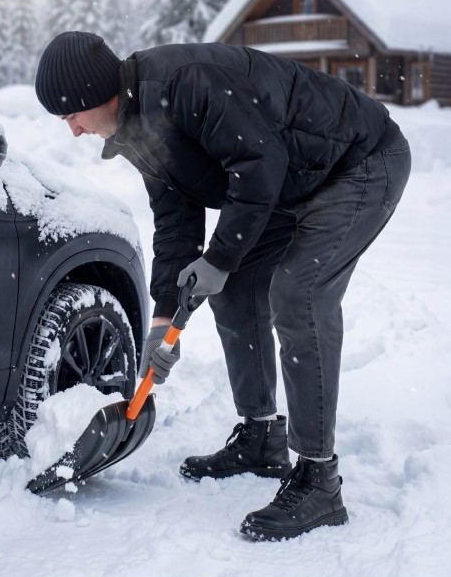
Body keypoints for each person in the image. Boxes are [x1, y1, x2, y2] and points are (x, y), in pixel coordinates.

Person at [35, 30, 411, 541]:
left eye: (70, 115)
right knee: (233, 290)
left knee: (298, 293)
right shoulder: (133, 125)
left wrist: (221, 255)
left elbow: (259, 162)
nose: (73, 131)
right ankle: (261, 437)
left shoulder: (184, 83)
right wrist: (164, 320)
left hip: (357, 162)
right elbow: (174, 217)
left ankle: (320, 479)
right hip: (292, 178)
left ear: (92, 94)